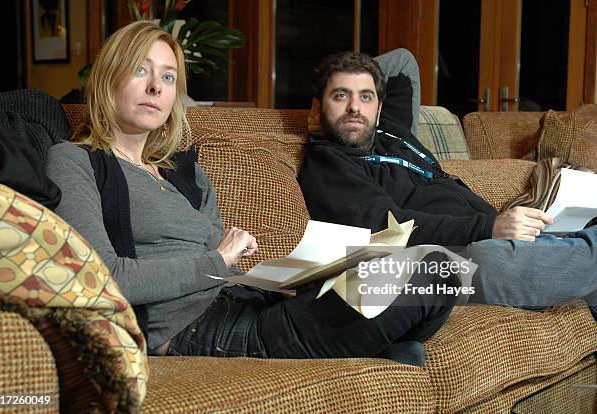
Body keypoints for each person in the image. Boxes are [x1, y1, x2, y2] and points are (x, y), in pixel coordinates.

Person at [46, 21, 461, 364]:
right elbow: (101, 279)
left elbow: (219, 271)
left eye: (168, 77)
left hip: (251, 301)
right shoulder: (76, 161)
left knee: (439, 267)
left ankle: (372, 340)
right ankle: (376, 342)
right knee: (426, 275)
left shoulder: (180, 171)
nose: (156, 86)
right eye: (141, 70)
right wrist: (219, 259)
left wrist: (290, 276)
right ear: (110, 75)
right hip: (195, 331)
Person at [298, 50, 596, 314]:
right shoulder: (328, 162)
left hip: (498, 237)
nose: (354, 107)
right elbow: (391, 228)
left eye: (365, 96)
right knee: (488, 260)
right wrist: (487, 228)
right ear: (316, 106)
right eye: (340, 96)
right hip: (446, 260)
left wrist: (351, 81)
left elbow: (403, 63)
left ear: (379, 106)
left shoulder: (391, 130)